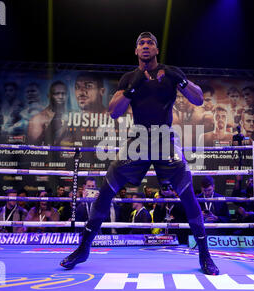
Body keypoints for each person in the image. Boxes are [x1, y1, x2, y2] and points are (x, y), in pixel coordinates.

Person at [60, 31, 219, 275]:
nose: (145, 46)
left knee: (188, 193)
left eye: (150, 43)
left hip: (164, 137)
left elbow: (198, 100)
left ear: (156, 50)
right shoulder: (129, 78)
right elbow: (114, 111)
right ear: (136, 51)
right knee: (106, 190)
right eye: (141, 43)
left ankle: (205, 255)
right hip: (139, 139)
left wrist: (182, 81)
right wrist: (131, 90)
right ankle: (83, 248)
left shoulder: (170, 73)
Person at [27, 81, 69, 146]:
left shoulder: (71, 116)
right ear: (49, 96)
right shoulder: (38, 119)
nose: (61, 96)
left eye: (63, 93)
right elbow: (33, 147)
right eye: (57, 94)